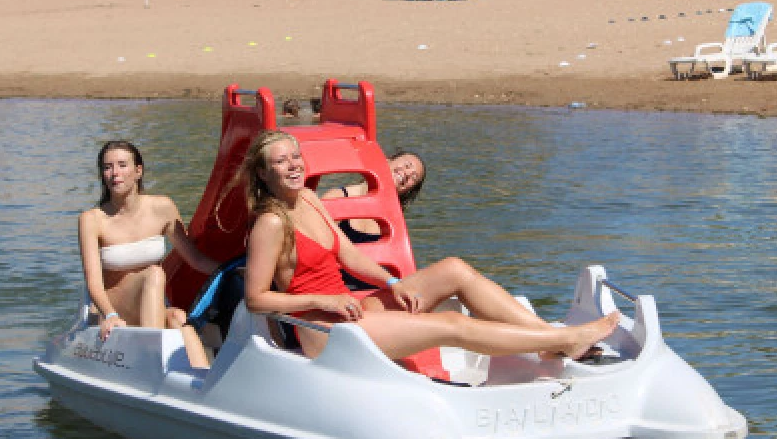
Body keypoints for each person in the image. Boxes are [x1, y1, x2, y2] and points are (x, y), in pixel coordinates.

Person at [237, 130, 620, 362]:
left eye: (296, 156)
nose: (293, 165)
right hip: (320, 329)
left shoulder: (309, 198)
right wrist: (324, 302)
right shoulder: (271, 222)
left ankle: (544, 338)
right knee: (450, 325)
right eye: (281, 160)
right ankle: (565, 338)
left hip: (349, 309)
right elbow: (255, 299)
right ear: (262, 172)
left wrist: (391, 284)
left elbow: (348, 255)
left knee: (453, 268)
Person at [78, 141, 220, 366]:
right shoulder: (92, 219)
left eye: (122, 165)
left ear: (138, 171)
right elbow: (93, 283)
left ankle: (202, 382)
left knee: (179, 319)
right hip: (112, 305)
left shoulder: (162, 207)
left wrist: (236, 272)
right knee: (154, 273)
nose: (115, 173)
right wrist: (110, 315)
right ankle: (152, 362)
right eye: (108, 167)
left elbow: (195, 259)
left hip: (152, 304)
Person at [320, 150, 426, 243]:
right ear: (387, 161)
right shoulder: (337, 197)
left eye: (414, 177)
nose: (407, 173)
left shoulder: (394, 221)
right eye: (407, 165)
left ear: (407, 191)